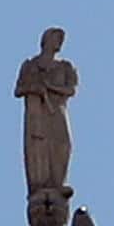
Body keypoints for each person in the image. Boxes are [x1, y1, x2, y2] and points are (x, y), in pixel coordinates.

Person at [17, 27, 79, 194]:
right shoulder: (30, 65)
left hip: (57, 109)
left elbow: (71, 90)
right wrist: (35, 87)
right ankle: (39, 183)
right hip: (36, 112)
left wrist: (50, 87)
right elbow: (19, 89)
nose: (59, 43)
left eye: (61, 40)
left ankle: (58, 182)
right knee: (38, 144)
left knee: (62, 144)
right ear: (46, 40)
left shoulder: (65, 67)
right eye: (56, 38)